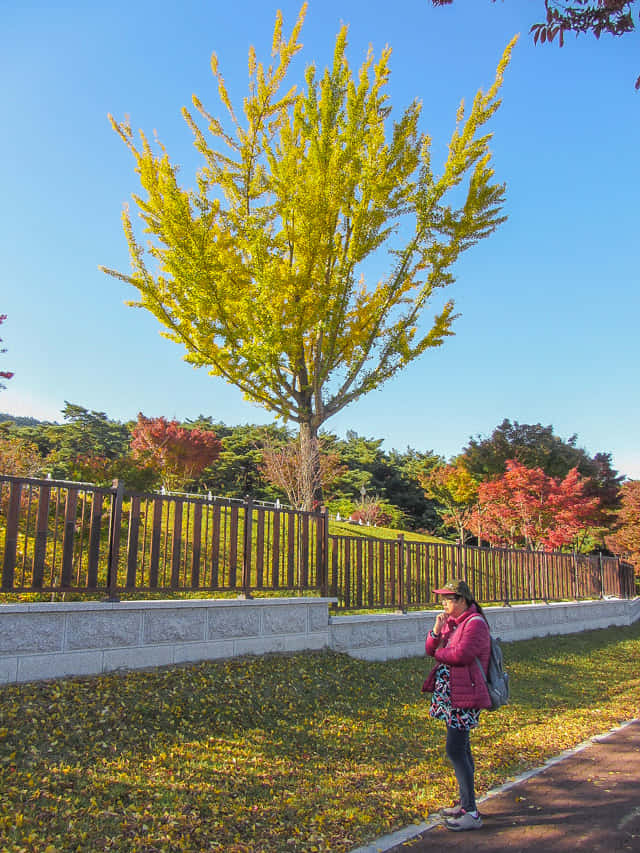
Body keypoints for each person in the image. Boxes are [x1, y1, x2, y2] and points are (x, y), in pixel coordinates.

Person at [423, 578, 491, 831]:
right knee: (462, 750)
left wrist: (439, 653)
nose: (444, 604)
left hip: (465, 696)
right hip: (453, 695)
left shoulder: (475, 625)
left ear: (462, 600)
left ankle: (471, 812)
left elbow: (460, 655)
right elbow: (431, 648)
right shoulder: (453, 624)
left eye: (448, 599)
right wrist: (437, 629)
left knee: (455, 750)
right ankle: (466, 803)